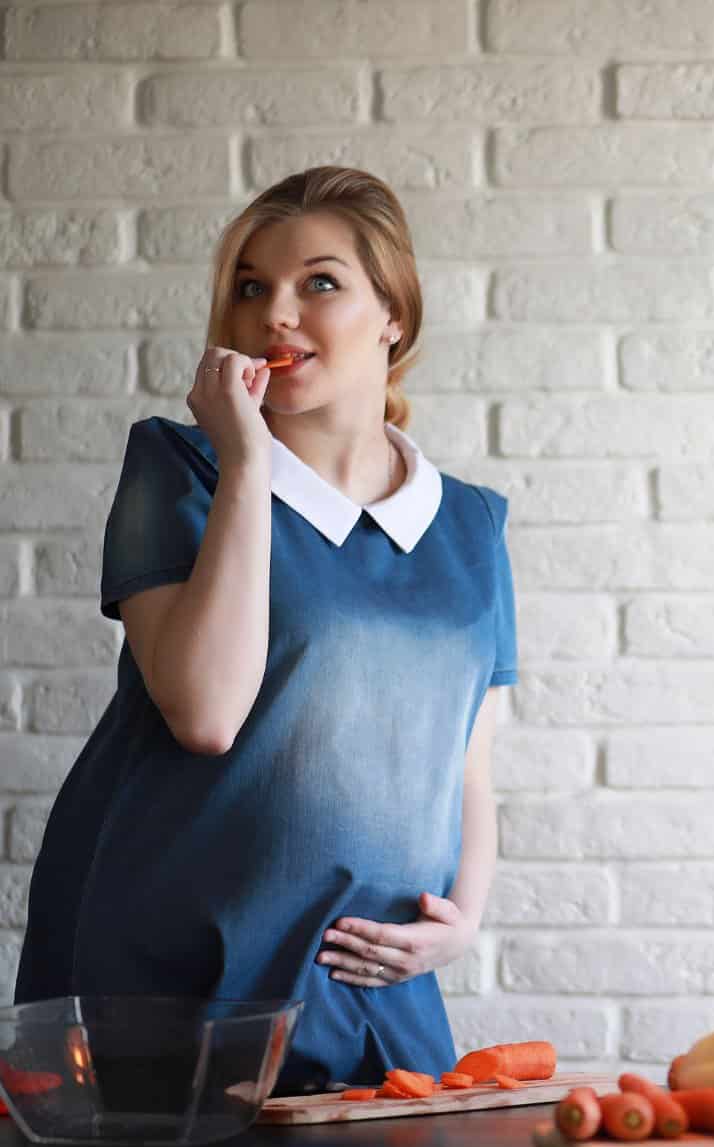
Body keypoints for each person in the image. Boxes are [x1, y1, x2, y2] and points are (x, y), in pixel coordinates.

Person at [14, 166, 518, 1094]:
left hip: (371, 981)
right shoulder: (180, 468)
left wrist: (466, 915)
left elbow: (465, 760)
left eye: (319, 283)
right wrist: (244, 456)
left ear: (393, 314)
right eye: (251, 288)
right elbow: (206, 711)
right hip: (176, 978)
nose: (275, 314)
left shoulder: (470, 526)